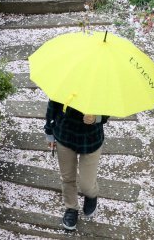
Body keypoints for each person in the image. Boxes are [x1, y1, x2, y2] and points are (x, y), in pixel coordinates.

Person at [44, 99, 109, 231]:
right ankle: (71, 208)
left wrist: (96, 118)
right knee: (67, 177)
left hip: (91, 139)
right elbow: (53, 105)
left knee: (87, 185)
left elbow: (108, 110)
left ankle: (91, 196)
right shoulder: (66, 81)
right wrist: (49, 132)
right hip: (65, 135)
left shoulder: (103, 85)